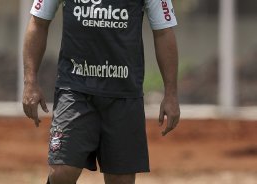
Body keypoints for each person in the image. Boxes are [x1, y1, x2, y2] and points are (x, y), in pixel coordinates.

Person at [22, 0, 180, 183]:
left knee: (121, 180)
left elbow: (164, 32)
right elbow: (38, 22)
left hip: (124, 95)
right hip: (75, 89)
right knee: (62, 171)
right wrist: (30, 81)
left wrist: (171, 94)